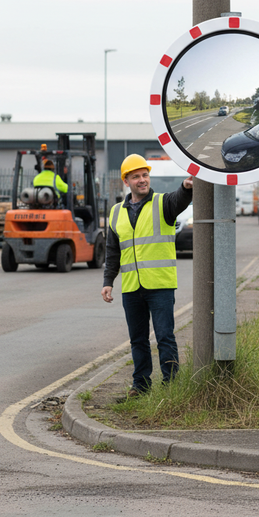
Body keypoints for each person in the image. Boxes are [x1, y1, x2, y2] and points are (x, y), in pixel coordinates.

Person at [101, 154, 193, 397]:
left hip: (160, 285)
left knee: (164, 336)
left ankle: (171, 386)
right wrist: (108, 282)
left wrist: (185, 187)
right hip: (132, 288)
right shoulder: (115, 213)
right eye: (136, 177)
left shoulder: (163, 203)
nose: (142, 180)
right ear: (126, 181)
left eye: (145, 175)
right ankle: (140, 386)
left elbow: (180, 199)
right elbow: (113, 251)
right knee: (138, 340)